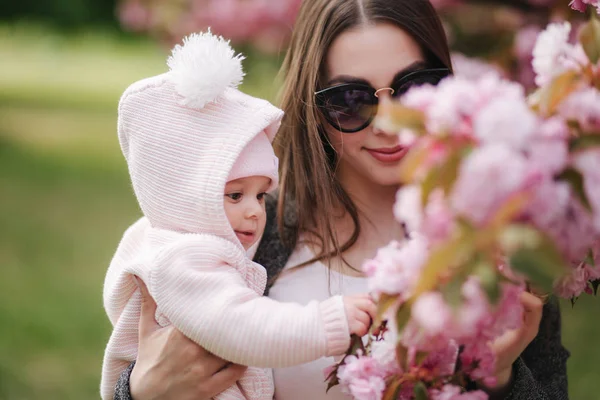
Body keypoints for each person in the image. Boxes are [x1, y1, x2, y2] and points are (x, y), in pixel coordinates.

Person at [112, 0, 570, 399]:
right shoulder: (248, 228)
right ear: (314, 107)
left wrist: (501, 378)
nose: (389, 123)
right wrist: (141, 393)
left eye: (415, 88)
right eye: (351, 100)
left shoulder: (498, 241)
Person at [101, 31, 377, 400]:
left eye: (261, 194)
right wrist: (327, 323)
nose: (254, 211)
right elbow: (244, 326)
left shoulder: (196, 243)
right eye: (234, 194)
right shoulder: (184, 258)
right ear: (186, 193)